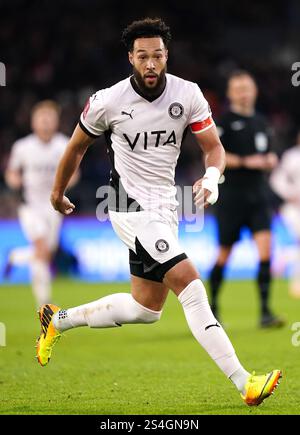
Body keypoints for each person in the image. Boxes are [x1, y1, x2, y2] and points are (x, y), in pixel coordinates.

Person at [36, 18, 281, 406]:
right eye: (142, 56)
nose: (150, 64)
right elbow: (76, 148)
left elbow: (213, 147)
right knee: (189, 283)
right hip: (127, 206)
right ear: (131, 58)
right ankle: (244, 382)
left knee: (145, 309)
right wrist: (56, 191)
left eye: (157, 56)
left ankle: (58, 320)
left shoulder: (188, 94)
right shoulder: (108, 100)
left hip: (165, 206)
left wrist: (213, 177)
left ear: (167, 56)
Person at [208, 70, 284, 328]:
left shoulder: (262, 122)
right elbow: (213, 155)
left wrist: (271, 160)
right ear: (230, 94)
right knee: (224, 254)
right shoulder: (223, 122)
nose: (243, 92)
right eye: (238, 88)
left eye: (247, 87)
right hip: (231, 196)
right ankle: (213, 309)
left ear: (254, 91)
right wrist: (245, 161)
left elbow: (269, 153)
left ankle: (265, 312)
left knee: (266, 252)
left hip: (259, 195)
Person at [5, 100, 78, 307]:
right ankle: (44, 303)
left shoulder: (64, 145)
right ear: (33, 122)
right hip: (30, 207)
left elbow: (74, 173)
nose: (45, 123)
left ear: (56, 122)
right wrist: (14, 180)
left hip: (53, 208)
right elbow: (12, 172)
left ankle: (16, 256)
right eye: (41, 119)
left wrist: (65, 185)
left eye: (49, 119)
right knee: (42, 248)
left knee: (46, 253)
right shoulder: (22, 147)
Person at [270, 131, 300, 298]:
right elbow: (277, 179)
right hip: (293, 208)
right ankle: (296, 283)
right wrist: (291, 193)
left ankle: (283, 258)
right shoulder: (292, 157)